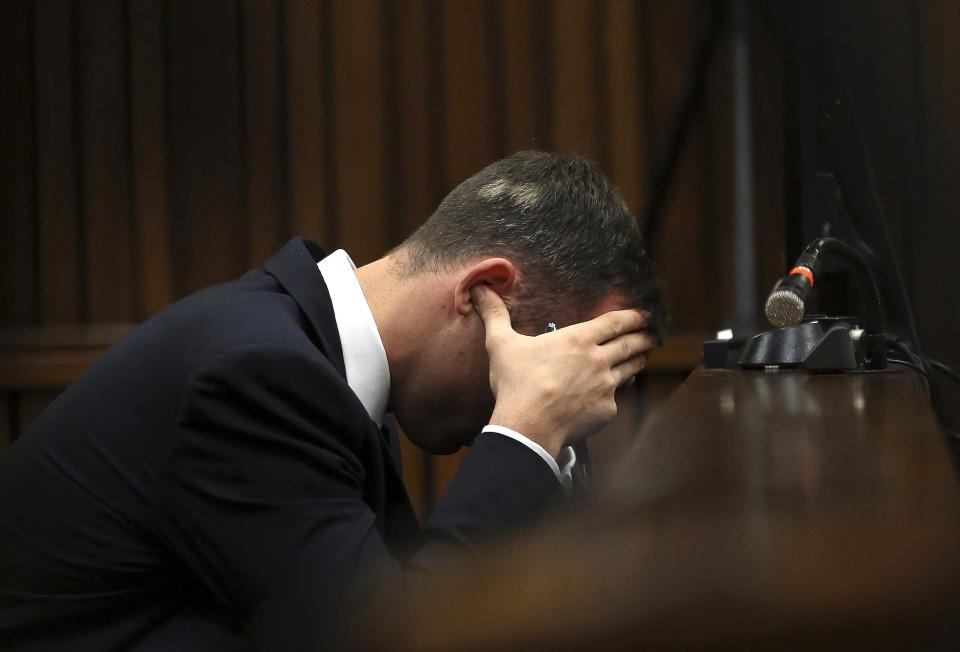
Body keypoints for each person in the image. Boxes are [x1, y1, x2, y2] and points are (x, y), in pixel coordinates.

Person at [0, 151, 664, 650]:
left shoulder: (316, 362)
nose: (558, 388)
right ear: (482, 291)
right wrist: (524, 432)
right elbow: (396, 638)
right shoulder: (256, 377)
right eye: (557, 357)